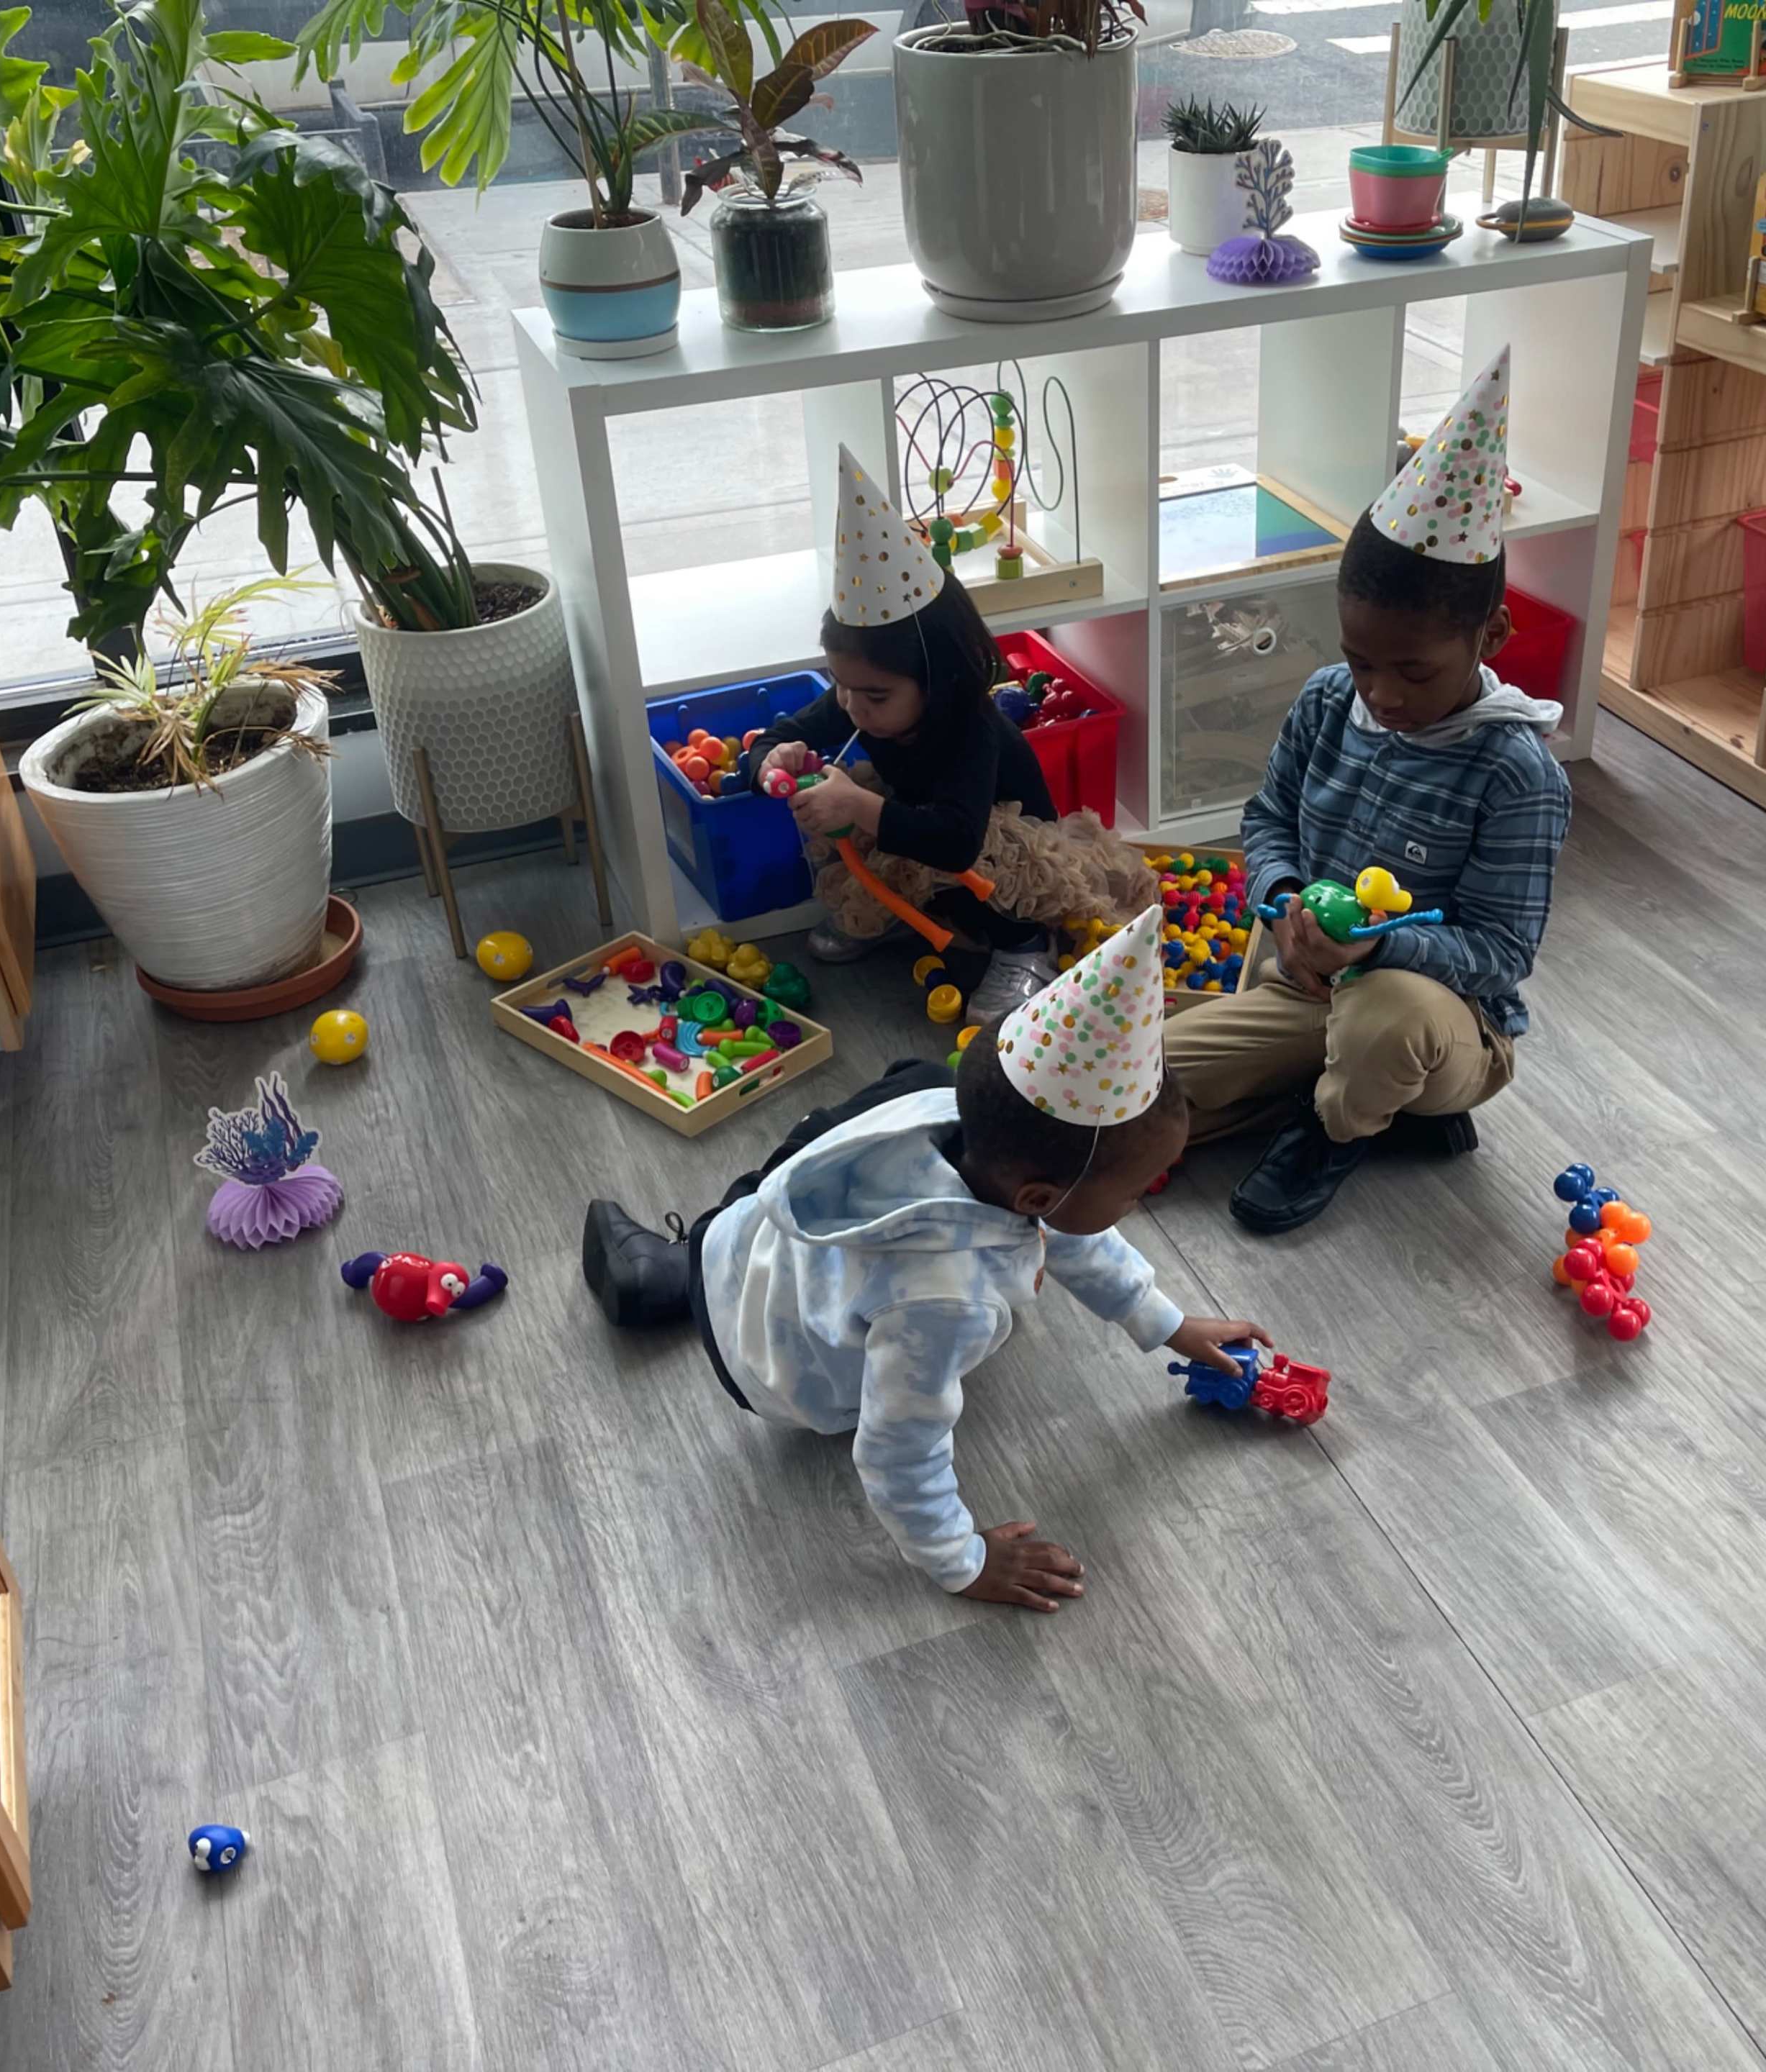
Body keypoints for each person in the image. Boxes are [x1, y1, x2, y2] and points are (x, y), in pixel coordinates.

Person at [581, 910, 1265, 1613]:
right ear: (1035, 1195)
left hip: (744, 1236)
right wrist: (962, 1560)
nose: (1134, 1208)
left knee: (852, 1123)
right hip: (773, 1370)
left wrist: (1167, 1322)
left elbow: (1065, 1225)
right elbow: (895, 1448)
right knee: (897, 1333)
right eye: (1130, 1197)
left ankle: (680, 1265)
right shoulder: (946, 1300)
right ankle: (661, 1282)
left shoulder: (946, 1104)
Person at [1163, 344, 1572, 1235]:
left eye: (1414, 673)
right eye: (1360, 662)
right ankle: (1347, 1100)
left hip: (1440, 1023)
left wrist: (1378, 955)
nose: (1382, 694)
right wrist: (1277, 902)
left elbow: (1501, 955)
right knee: (1153, 1077)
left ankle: (1338, 1124)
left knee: (1384, 1026)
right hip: (1311, 992)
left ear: (1490, 634)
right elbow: (1268, 817)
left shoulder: (1515, 772)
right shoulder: (1327, 701)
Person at [746, 448, 1062, 1022]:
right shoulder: (859, 692)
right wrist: (773, 761)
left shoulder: (972, 727)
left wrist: (860, 805)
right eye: (842, 686)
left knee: (995, 861)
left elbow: (957, 841)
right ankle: (894, 912)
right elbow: (783, 732)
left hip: (997, 849)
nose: (851, 706)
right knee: (871, 819)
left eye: (875, 696)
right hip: (924, 833)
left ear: (936, 681)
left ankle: (1026, 948)